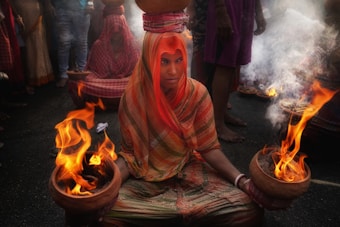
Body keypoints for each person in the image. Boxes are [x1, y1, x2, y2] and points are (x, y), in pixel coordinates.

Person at [100, 11, 267, 226]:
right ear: (149, 60)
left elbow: (209, 148)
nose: (173, 71)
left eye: (179, 60)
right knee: (107, 215)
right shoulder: (133, 99)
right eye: (164, 61)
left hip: (189, 171)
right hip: (145, 180)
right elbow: (131, 158)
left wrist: (242, 182)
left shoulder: (197, 94)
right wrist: (104, 190)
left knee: (246, 209)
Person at [188, 0, 266, 143]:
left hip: (243, 5)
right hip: (226, 5)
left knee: (233, 62)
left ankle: (220, 112)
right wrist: (221, 10)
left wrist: (258, 11)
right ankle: (216, 123)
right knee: (224, 62)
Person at [67, 1, 140, 110]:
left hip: (126, 83)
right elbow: (93, 73)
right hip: (101, 83)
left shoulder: (132, 45)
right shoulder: (99, 46)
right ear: (107, 29)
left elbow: (137, 72)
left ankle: (108, 100)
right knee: (79, 83)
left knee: (141, 83)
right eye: (112, 30)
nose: (116, 34)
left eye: (119, 30)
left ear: (124, 29)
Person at [45, 0, 94, 88]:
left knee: (81, 42)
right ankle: (64, 75)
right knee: (64, 43)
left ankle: (81, 72)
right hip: (61, 9)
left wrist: (90, 2)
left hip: (81, 9)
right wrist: (49, 4)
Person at [10, 0, 55, 95]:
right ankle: (34, 76)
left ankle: (37, 75)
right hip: (24, 10)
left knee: (36, 41)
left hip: (30, 9)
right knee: (31, 43)